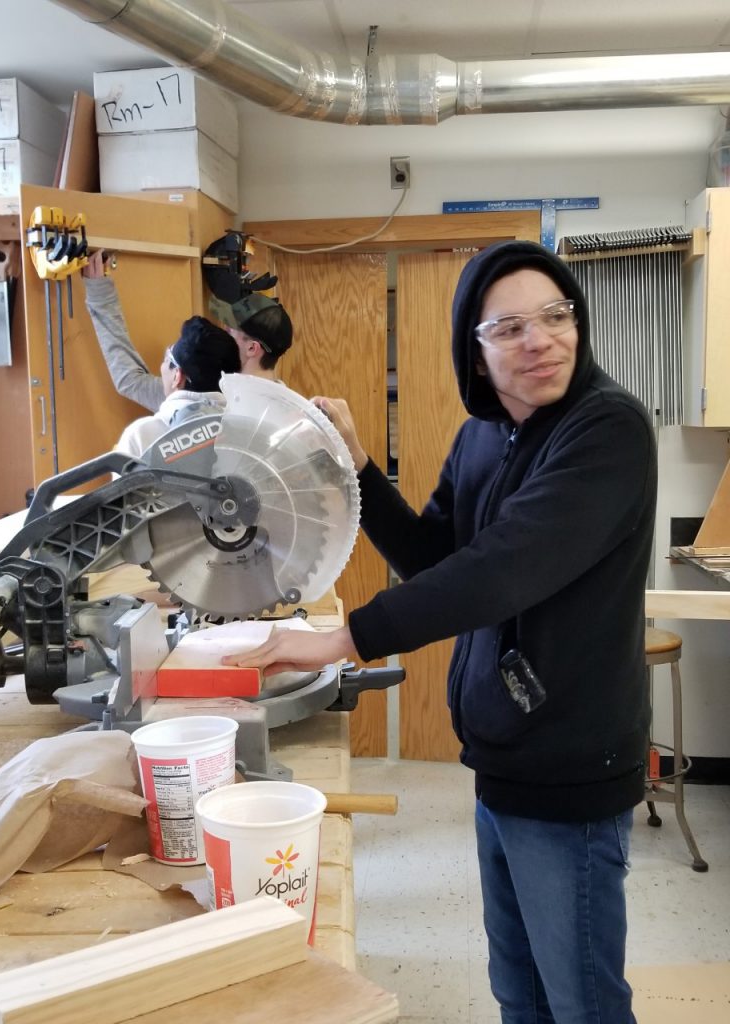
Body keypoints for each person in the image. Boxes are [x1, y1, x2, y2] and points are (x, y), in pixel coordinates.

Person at [223, 240, 657, 1023]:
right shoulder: (485, 435)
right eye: (511, 328)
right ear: (476, 350)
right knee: (519, 990)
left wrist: (338, 639)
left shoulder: (608, 434)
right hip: (504, 755)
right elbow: (434, 556)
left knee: (583, 1002)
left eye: (557, 317)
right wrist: (358, 466)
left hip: (573, 770)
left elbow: (498, 569)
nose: (542, 341)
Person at [82, 252, 293, 412]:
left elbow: (131, 381)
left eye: (230, 330)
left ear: (252, 348)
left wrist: (100, 294)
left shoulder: (204, 394)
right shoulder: (289, 408)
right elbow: (132, 381)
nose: (222, 332)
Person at [115, 316, 240, 459]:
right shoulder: (248, 433)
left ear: (177, 376)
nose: (162, 367)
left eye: (167, 359)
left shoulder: (140, 436)